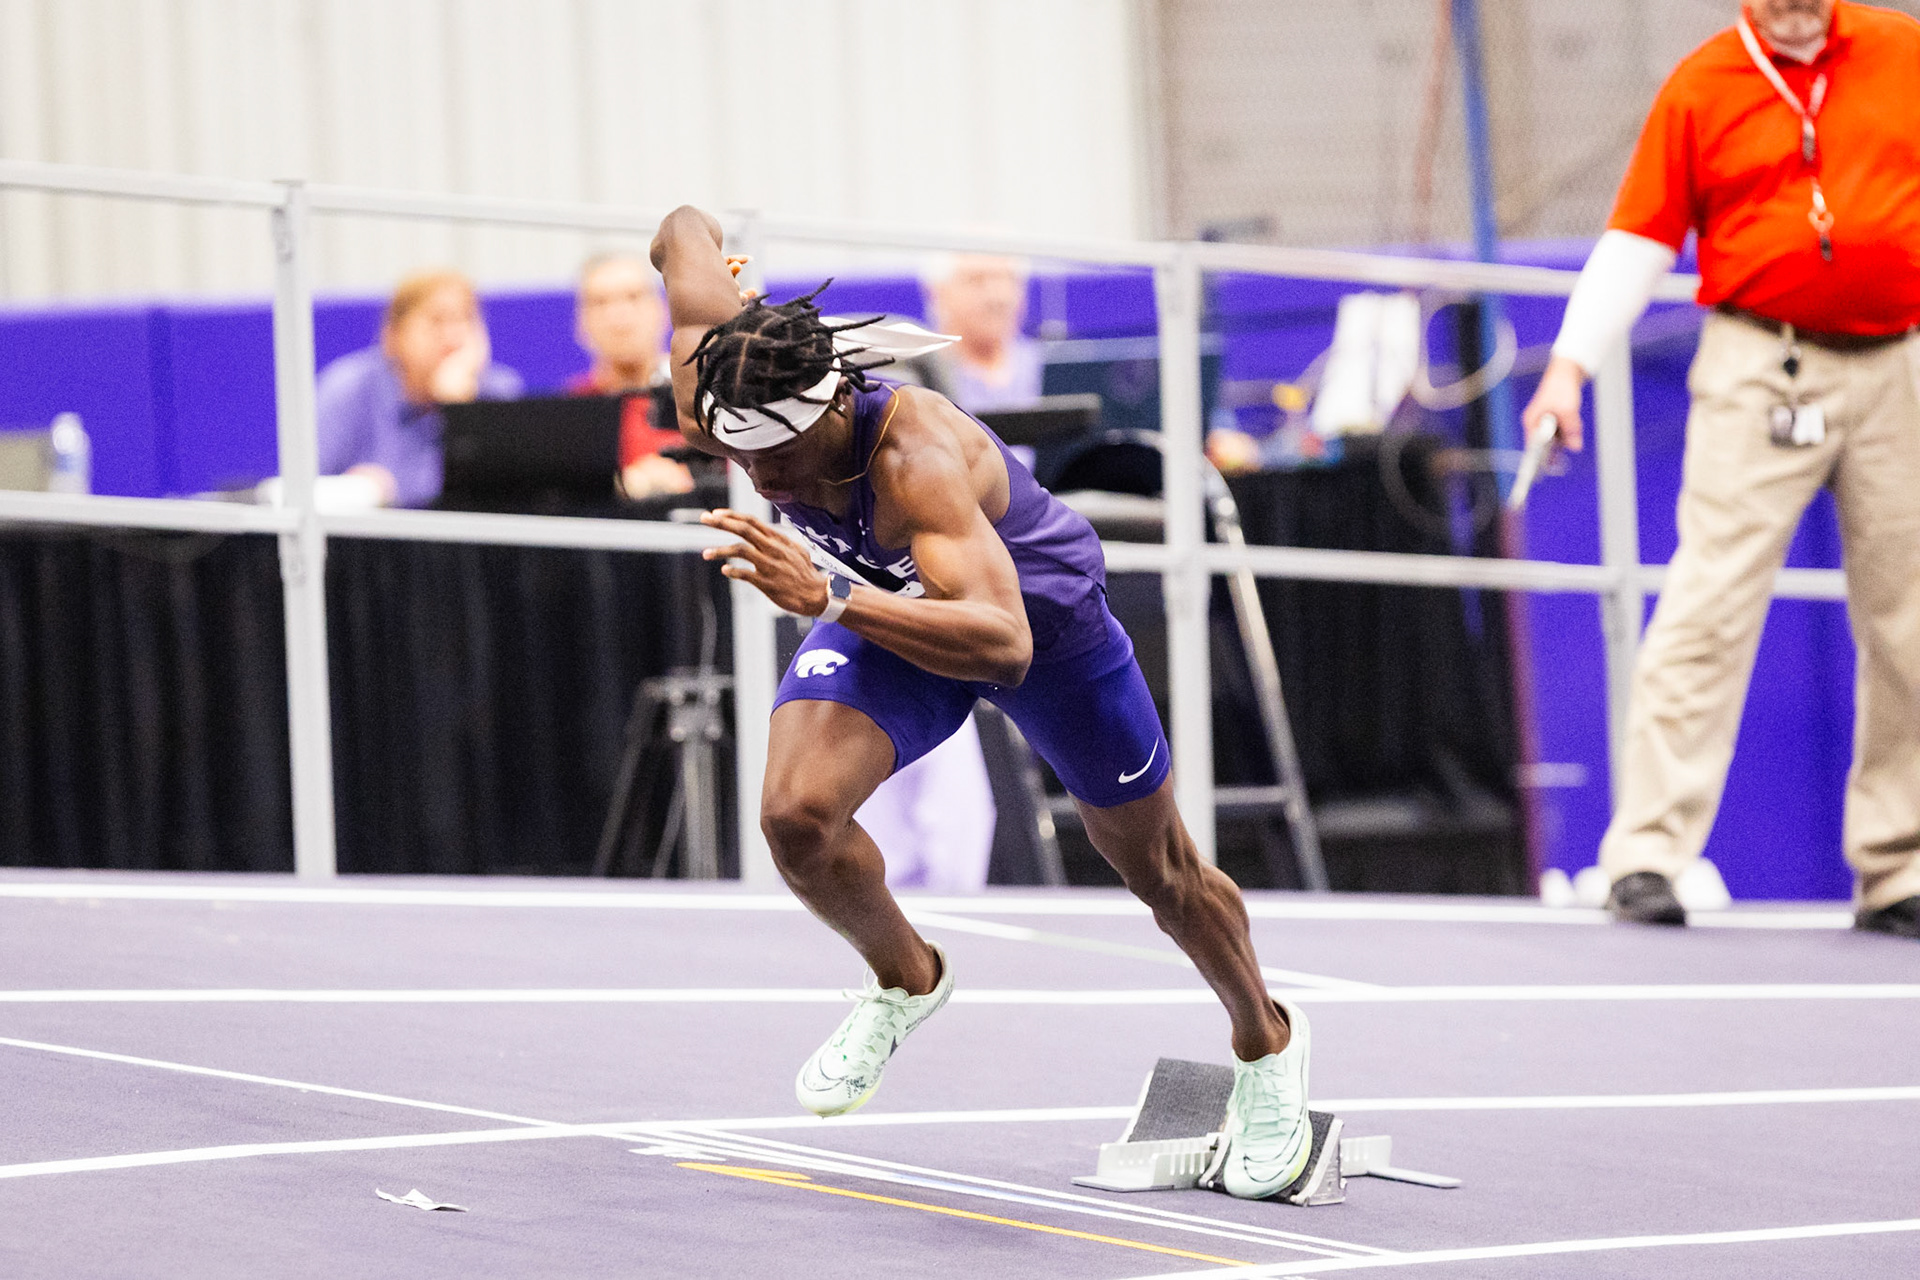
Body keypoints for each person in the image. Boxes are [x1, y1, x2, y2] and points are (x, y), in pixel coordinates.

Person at [651, 204, 1313, 1200]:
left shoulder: (915, 454)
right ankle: (905, 977)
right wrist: (732, 276)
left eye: (781, 460)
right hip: (893, 609)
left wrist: (830, 591)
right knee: (795, 818)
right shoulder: (723, 386)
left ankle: (1267, 1045)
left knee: (1163, 875)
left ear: (835, 406)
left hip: (1038, 626)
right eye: (747, 461)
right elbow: (679, 231)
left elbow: (1002, 643)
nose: (768, 481)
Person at [1523, 0, 1920, 937]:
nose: (1791, 7)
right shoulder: (1702, 86)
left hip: (1894, 365)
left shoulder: (1903, 54)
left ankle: (1899, 866)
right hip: (1757, 366)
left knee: (1909, 624)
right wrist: (1569, 366)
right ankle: (1650, 854)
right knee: (1707, 608)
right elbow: (1636, 241)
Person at [317, 269, 523, 509]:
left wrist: (461, 412)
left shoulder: (498, 393)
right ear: (394, 336)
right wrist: (356, 492)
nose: (453, 336)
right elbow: (304, 488)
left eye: (465, 319)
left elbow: (504, 502)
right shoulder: (348, 388)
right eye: (436, 321)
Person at [567, 252, 694, 500]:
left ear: (662, 310)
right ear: (581, 322)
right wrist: (623, 484)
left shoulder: (703, 396)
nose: (618, 316)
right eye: (600, 302)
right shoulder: (571, 411)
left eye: (633, 297)